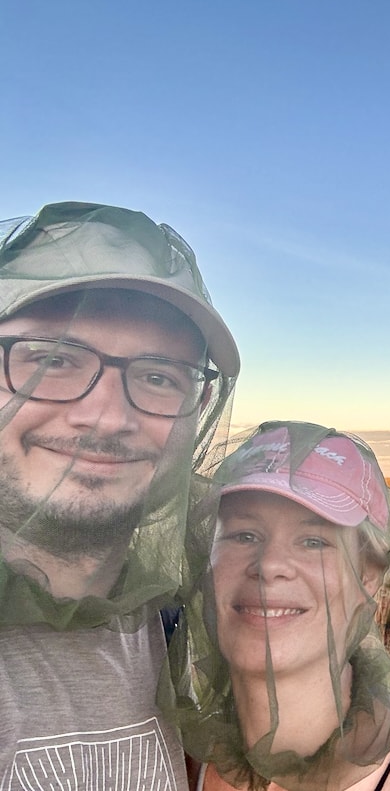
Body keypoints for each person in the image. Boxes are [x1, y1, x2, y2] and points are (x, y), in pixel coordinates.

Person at [0, 201, 239, 791]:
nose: (106, 418)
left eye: (158, 377)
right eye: (52, 360)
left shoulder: (186, 626)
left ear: (198, 410)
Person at [170, 421, 390, 791]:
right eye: (243, 535)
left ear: (369, 576)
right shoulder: (179, 754)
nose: (269, 565)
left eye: (313, 541)